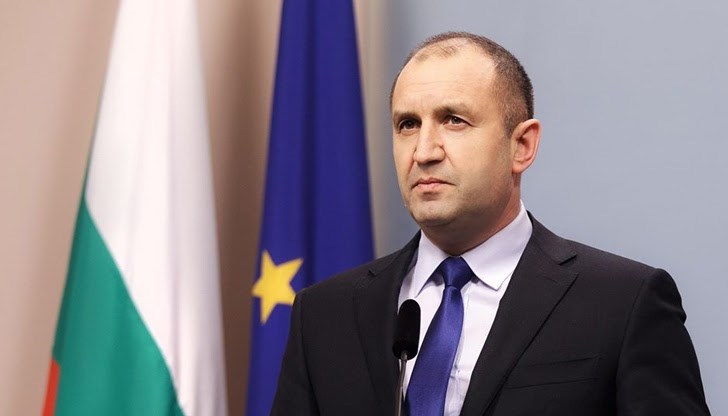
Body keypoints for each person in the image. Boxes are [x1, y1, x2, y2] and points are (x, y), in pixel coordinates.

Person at [270, 31, 710, 416]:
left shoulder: (623, 303)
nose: (423, 151)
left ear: (522, 146)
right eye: (408, 124)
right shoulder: (323, 315)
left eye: (453, 120)